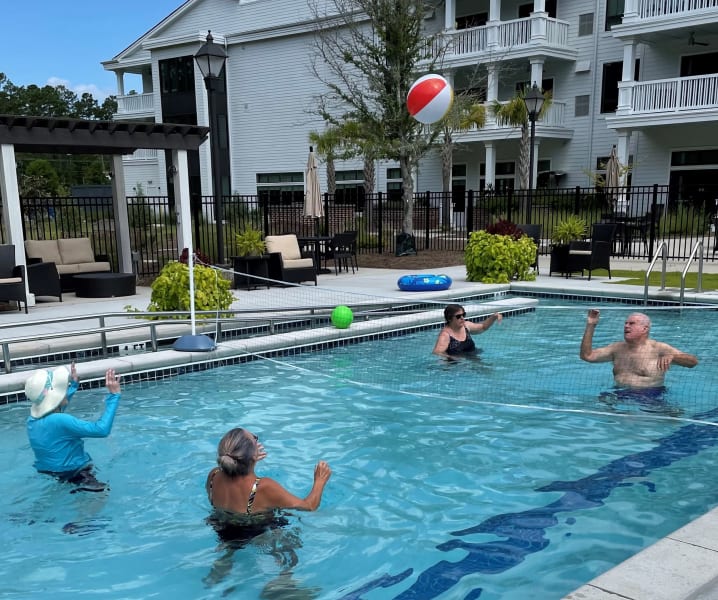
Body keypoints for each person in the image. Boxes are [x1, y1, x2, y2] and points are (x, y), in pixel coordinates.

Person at [25, 363, 121, 492]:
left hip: (46, 471)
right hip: (76, 474)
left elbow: (55, 409)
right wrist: (114, 396)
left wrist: (74, 385)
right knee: (103, 497)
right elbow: (102, 430)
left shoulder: (32, 420)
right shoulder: (61, 420)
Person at [206, 427, 331, 521]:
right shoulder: (263, 487)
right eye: (255, 438)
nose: (256, 439)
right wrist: (319, 481)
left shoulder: (213, 475)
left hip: (222, 530)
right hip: (256, 533)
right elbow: (309, 507)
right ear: (251, 456)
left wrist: (249, 461)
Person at [580, 309, 698, 389]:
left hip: (650, 397)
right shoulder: (616, 348)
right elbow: (587, 356)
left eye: (632, 323)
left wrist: (674, 357)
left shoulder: (658, 348)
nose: (626, 326)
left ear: (644, 329)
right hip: (618, 394)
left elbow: (693, 362)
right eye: (626, 323)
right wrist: (591, 324)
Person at [432, 304, 502, 358]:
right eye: (458, 316)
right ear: (449, 319)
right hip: (456, 365)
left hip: (471, 357)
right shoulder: (445, 335)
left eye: (463, 315)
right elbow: (437, 352)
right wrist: (452, 358)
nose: (462, 318)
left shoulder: (466, 326)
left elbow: (483, 327)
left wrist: (494, 317)